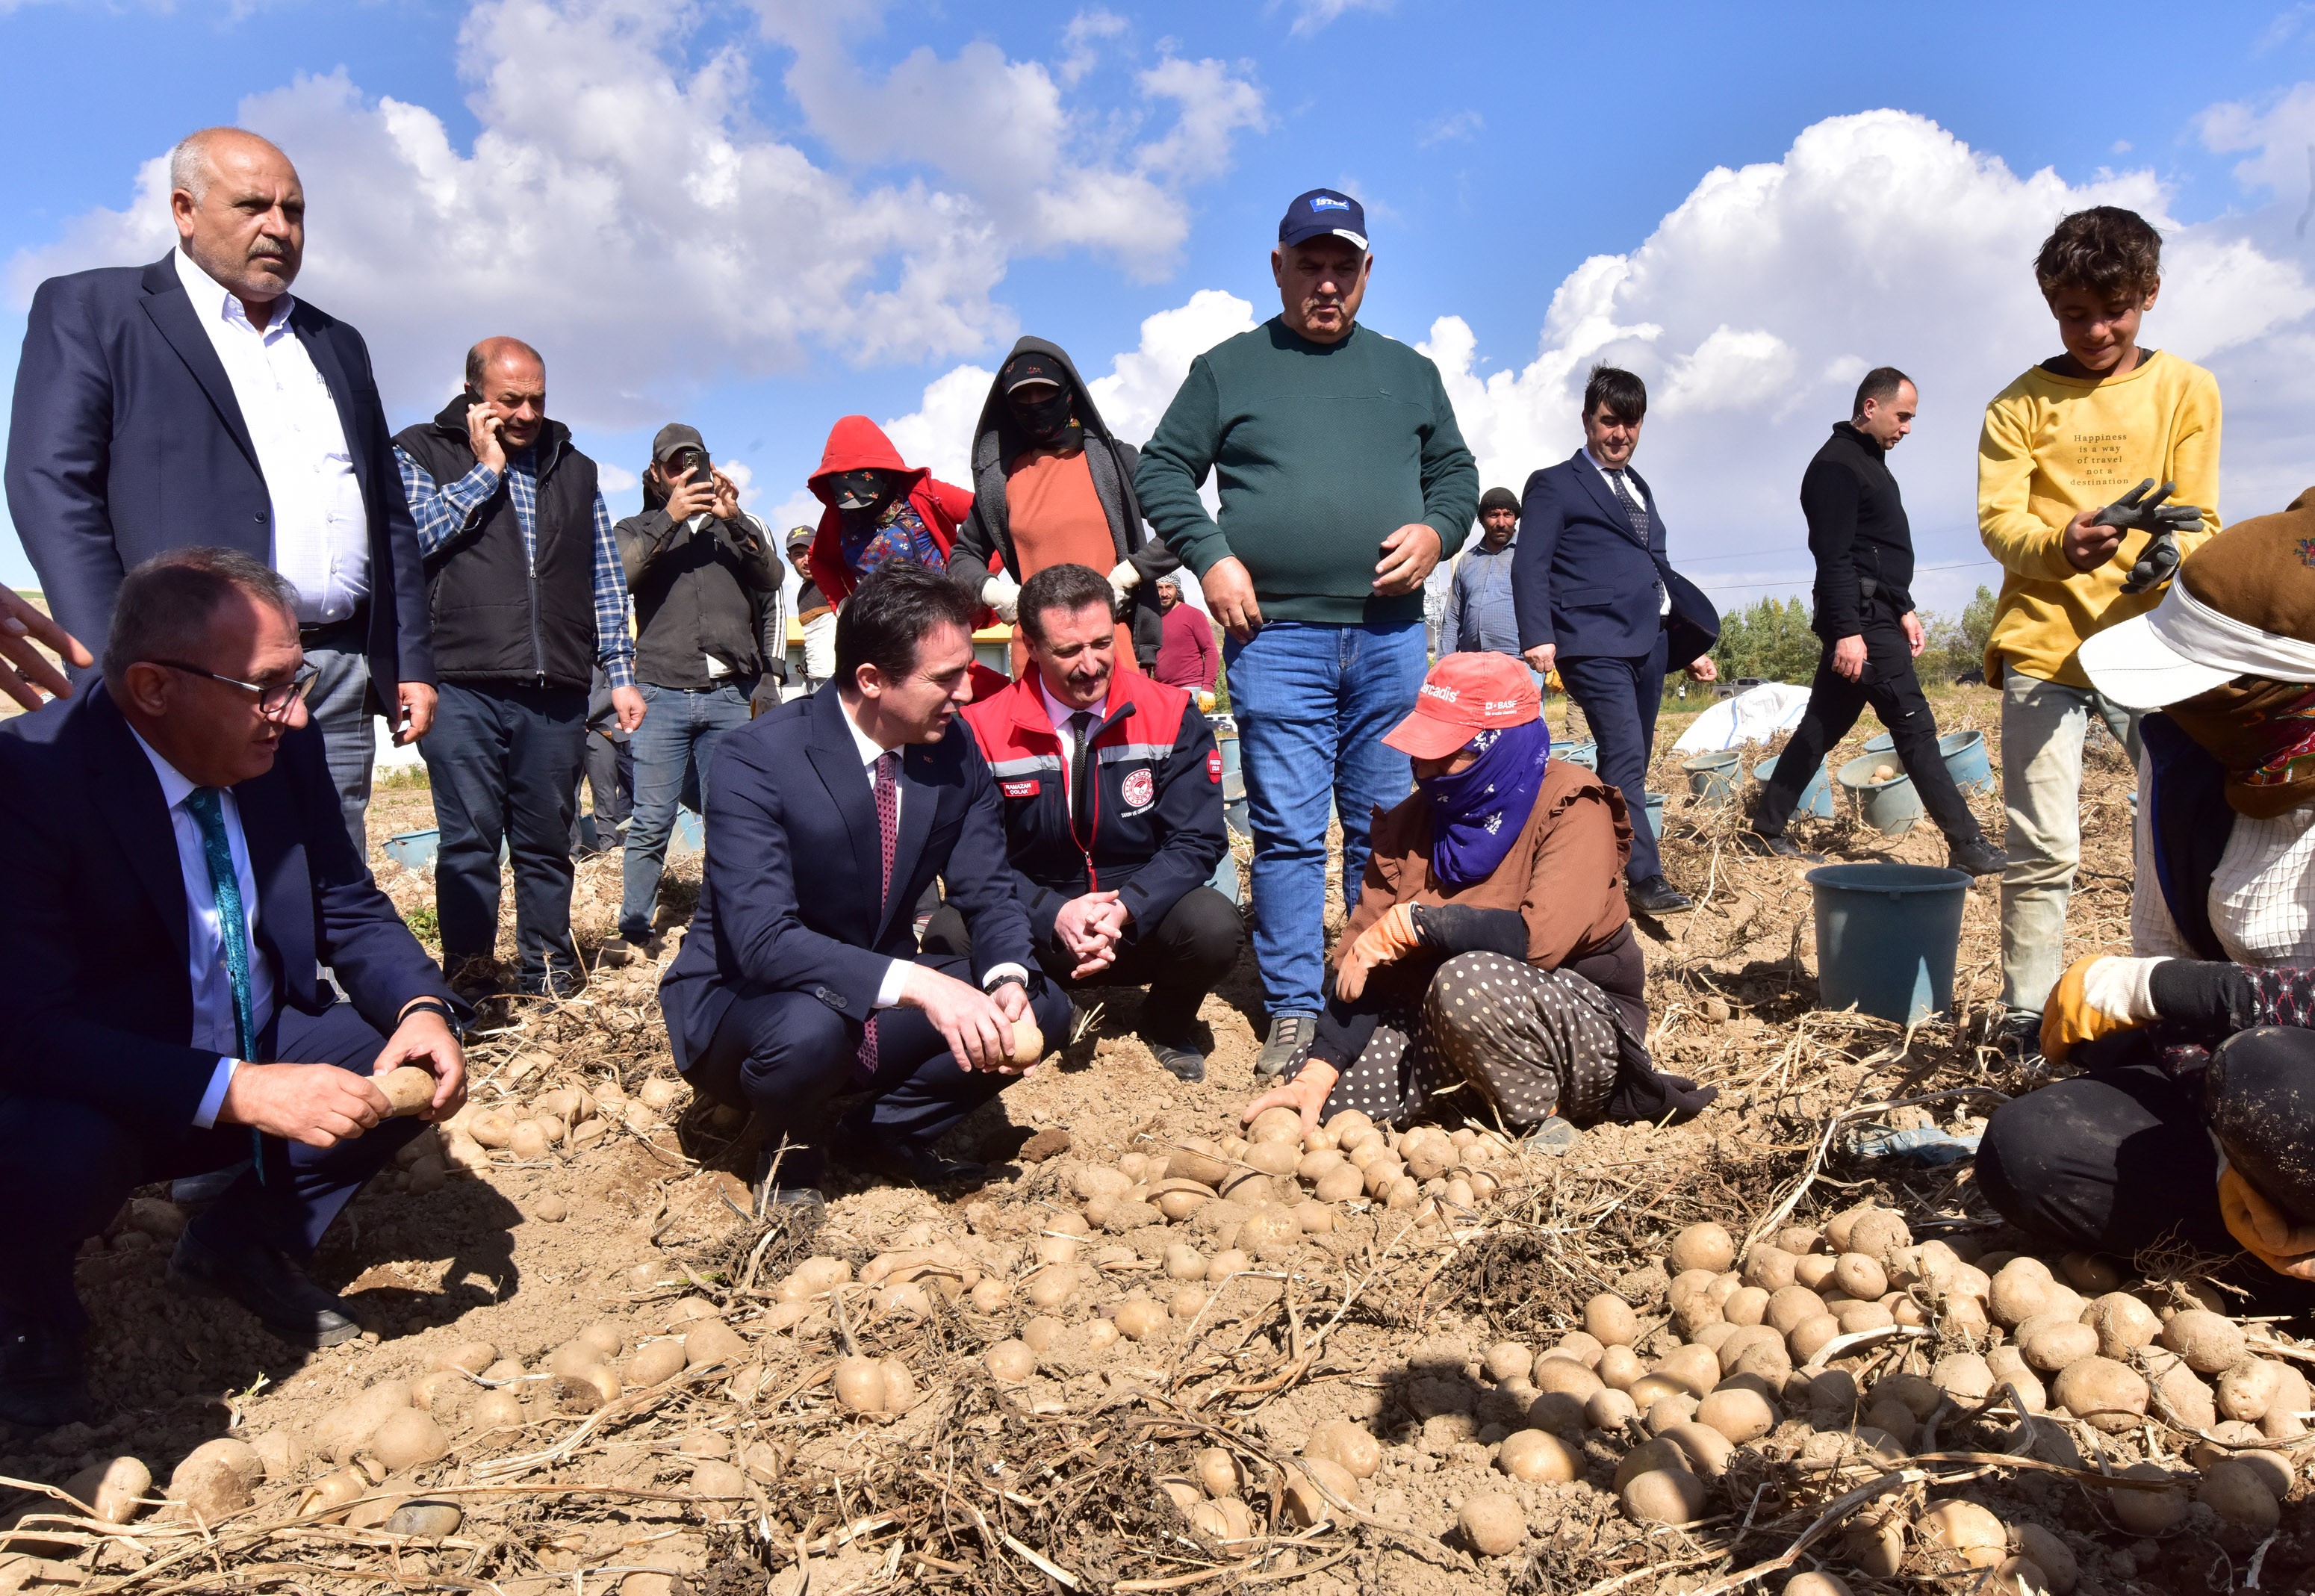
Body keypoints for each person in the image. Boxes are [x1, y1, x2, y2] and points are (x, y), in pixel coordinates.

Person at [0, 549, 467, 1429]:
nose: (293, 715)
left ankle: (240, 1240)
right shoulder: (31, 780)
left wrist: (422, 1006)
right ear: (153, 687)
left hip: (247, 1037)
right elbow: (25, 1028)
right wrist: (241, 1090)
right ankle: (31, 1317)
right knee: (43, 1150)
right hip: (108, 1082)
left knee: (398, 1069)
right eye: (267, 686)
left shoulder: (278, 751)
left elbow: (345, 899)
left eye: (299, 681)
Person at [5, 127, 435, 857]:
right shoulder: (96, 310)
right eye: (253, 206)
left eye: (293, 211)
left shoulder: (337, 342)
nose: (279, 227)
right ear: (184, 209)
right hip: (189, 678)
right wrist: (121, 661)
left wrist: (411, 660)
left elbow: (386, 511)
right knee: (188, 879)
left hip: (332, 669)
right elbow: (51, 483)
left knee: (330, 884)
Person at [1137, 187, 1479, 1078]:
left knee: (1384, 825)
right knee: (1288, 829)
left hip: (1390, 638)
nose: (1326, 284)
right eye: (1310, 265)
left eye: (1343, 267)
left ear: (1366, 272)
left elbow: (1456, 472)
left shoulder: (1409, 373)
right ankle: (1294, 1006)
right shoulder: (1229, 369)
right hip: (1276, 635)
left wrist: (1440, 531)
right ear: (1279, 266)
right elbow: (1163, 468)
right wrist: (1210, 556)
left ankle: (1373, 992)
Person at [656, 560, 1073, 1205]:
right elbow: (764, 940)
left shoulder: (952, 747)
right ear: (872, 680)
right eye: (946, 677)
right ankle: (789, 1155)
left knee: (1040, 1001)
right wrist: (924, 985)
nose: (967, 692)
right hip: (748, 1001)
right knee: (810, 1030)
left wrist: (1006, 978)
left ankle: (882, 1133)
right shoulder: (758, 758)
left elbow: (988, 887)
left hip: (872, 995)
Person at [1973, 501, 2315, 1285]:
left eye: (2205, 693)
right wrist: (2232, 1154)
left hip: (2289, 1083)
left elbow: (2171, 987)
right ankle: (2272, 1246)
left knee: (2273, 1081)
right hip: (2249, 1093)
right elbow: (2180, 1005)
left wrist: (2152, 986)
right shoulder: (2184, 763)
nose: (2176, 714)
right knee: (2031, 1150)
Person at [1238, 653, 1714, 1145]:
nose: (1424, 765)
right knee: (1317, 1081)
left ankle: (1545, 1112)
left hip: (1574, 1020)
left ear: (1497, 748)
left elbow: (1541, 942)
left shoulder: (1573, 805)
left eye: (1447, 751)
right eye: (1421, 748)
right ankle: (1476, 1095)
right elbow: (1363, 966)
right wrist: (1321, 1067)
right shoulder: (1407, 825)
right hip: (1443, 1019)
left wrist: (1418, 923)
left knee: (1465, 981)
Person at [1979, 205, 2220, 1037]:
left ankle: (2186, 1001)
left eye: (2112, 310)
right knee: (2040, 849)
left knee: (2174, 833)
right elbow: (1999, 524)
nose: (2093, 329)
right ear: (2051, 305)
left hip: (2152, 649)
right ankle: (2026, 1016)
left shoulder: (2185, 389)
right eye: (2073, 313)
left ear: (2148, 294)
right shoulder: (2019, 406)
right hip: (2043, 646)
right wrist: (2062, 543)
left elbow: (2200, 517)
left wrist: (2175, 559)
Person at [394, 338, 644, 999]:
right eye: (512, 400)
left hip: (554, 687)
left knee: (546, 844)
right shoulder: (419, 449)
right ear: (475, 395)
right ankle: (472, 979)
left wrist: (619, 670)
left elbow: (605, 576)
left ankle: (548, 975)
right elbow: (409, 541)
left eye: (538, 398)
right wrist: (485, 471)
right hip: (460, 682)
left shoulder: (576, 469)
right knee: (470, 843)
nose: (529, 413)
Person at [941, 563, 1239, 1083]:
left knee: (1214, 923)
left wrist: (1126, 908)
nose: (1090, 665)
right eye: (1067, 651)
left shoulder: (1169, 713)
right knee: (949, 933)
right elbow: (972, 859)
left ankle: (1166, 1023)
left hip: (1135, 919)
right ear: (1030, 645)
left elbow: (1198, 839)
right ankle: (1047, 1006)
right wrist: (1052, 912)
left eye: (1102, 643)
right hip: (1034, 923)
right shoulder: (981, 730)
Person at [1747, 370, 2007, 876]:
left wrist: (1904, 605)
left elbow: (1876, 551)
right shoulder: (1836, 467)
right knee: (1915, 727)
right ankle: (1968, 843)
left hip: (1877, 614)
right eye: (1902, 416)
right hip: (1862, 622)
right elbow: (1835, 556)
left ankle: (1766, 828)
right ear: (1870, 407)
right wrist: (1848, 630)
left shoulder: (1868, 463)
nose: (1907, 428)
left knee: (1820, 728)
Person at [1512, 366, 1721, 916]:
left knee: (1632, 761)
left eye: (1630, 423)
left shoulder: (1638, 487)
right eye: (1609, 421)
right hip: (1591, 640)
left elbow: (1657, 567)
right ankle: (1646, 878)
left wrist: (1687, 640)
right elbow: (1529, 564)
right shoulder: (1554, 483)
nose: (1620, 434)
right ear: (1587, 420)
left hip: (1649, 642)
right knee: (1625, 751)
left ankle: (1593, 859)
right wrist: (1537, 633)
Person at [603, 424, 786, 964]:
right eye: (674, 466)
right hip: (661, 689)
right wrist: (672, 516)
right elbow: (620, 571)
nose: (687, 473)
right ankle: (634, 929)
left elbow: (772, 577)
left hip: (730, 692)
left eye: (695, 462)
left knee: (730, 814)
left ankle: (722, 920)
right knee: (652, 817)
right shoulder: (637, 526)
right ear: (657, 475)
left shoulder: (737, 526)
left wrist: (734, 519)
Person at [946, 339, 1177, 677]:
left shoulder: (1114, 462)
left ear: (1070, 392)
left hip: (1113, 646)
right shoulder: (1001, 480)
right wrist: (1000, 594)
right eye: (1021, 397)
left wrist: (1129, 575)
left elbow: (1183, 523)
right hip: (1038, 656)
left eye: (1045, 392)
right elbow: (962, 557)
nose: (1034, 404)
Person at [803, 417, 975, 610]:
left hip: (940, 621)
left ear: (885, 475)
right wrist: (842, 604)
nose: (858, 509)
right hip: (877, 629)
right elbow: (819, 559)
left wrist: (979, 585)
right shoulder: (839, 514)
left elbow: (993, 516)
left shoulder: (925, 494)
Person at [1441, 487, 1524, 660]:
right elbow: (1453, 618)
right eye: (1494, 515)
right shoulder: (1467, 561)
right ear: (1482, 520)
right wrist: (1443, 663)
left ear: (1515, 518)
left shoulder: (1529, 554)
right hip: (1474, 663)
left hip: (1522, 662)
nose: (1501, 523)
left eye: (1507, 515)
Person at [787, 526, 836, 696]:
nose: (806, 560)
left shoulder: (838, 580)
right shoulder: (802, 593)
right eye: (798, 555)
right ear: (789, 559)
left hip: (839, 679)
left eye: (810, 551)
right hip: (814, 680)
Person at [1151, 577, 1219, 698]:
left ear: (1177, 590)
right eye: (1159, 588)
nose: (1164, 593)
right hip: (1162, 691)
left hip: (1190, 689)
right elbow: (1146, 660)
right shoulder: (1151, 620)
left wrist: (1208, 688)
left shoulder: (1193, 615)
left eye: (1169, 587)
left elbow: (1210, 651)